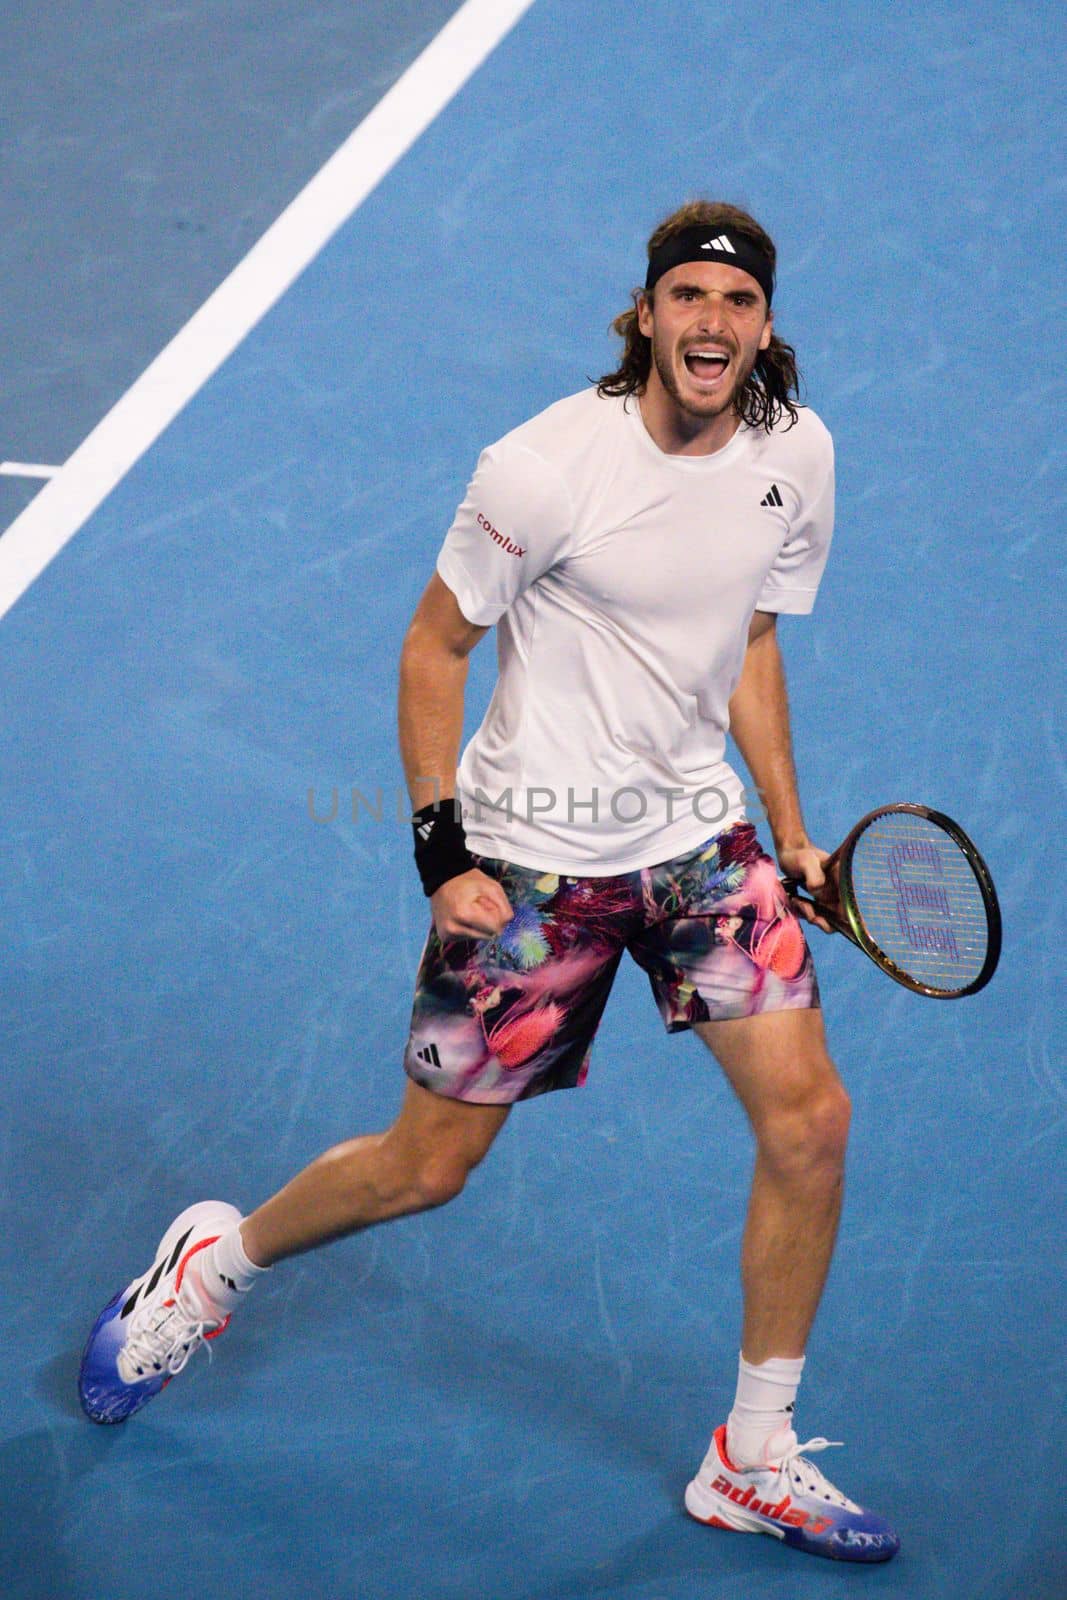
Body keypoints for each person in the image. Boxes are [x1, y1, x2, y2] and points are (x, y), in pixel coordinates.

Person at [78, 200, 899, 1564]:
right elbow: (431, 650)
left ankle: (752, 1454)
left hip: (699, 844)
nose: (711, 324)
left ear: (765, 326)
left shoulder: (794, 452)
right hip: (534, 863)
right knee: (426, 1169)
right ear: (645, 316)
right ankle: (211, 1264)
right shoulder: (538, 469)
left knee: (811, 1122)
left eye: (737, 304)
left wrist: (792, 831)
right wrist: (442, 853)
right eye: (687, 298)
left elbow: (751, 640)